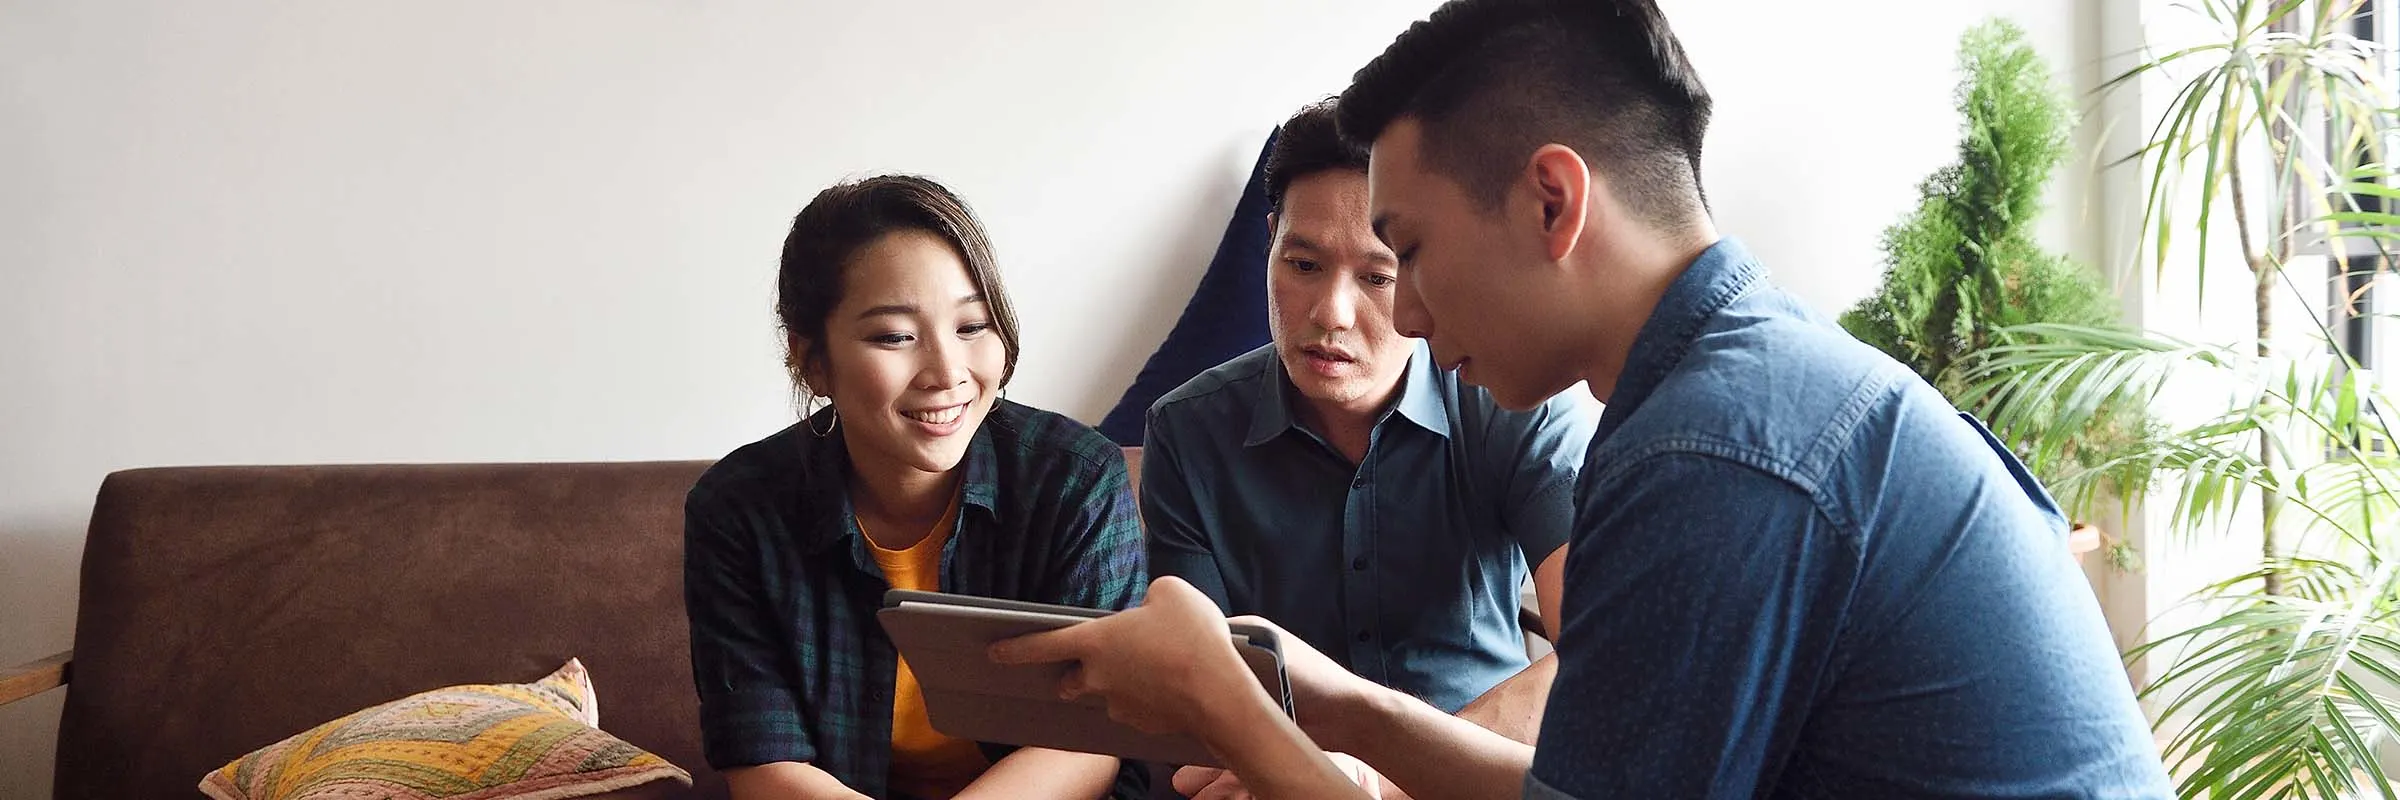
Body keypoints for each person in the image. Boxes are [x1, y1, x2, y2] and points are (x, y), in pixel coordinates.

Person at [991, 1, 2174, 797]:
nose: (1400, 318)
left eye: (1407, 251)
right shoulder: (1742, 381)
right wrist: (1342, 705)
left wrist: (1223, 703)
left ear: (1554, 204)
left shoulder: (1715, 454)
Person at [1141, 99, 1595, 798]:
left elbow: (1602, 647)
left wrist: (1391, 772)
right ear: (1269, 244)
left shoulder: (1513, 401)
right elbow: (1197, 691)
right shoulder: (1186, 430)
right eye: (1302, 263)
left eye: (1378, 277)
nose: (1331, 313)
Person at [683, 175, 1149, 800]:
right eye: (895, 336)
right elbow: (766, 765)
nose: (947, 372)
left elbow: (1089, 742)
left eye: (973, 327)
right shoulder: (738, 510)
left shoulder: (1077, 479)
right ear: (812, 359)